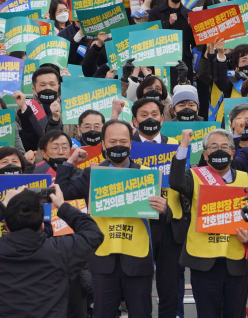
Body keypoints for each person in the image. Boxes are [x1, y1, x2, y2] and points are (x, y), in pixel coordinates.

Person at [56, 119, 169, 318]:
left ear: (131, 144)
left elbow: (161, 219)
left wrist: (164, 210)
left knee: (141, 313)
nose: (118, 145)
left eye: (124, 141)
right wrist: (70, 162)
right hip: (103, 257)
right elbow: (63, 193)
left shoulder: (146, 175)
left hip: (137, 257)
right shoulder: (93, 174)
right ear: (103, 145)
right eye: (113, 141)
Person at [0, 185, 103, 318]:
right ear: (42, 225)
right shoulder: (60, 250)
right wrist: (62, 206)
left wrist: (3, 205)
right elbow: (94, 233)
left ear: (7, 225)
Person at [168, 128, 248, 318]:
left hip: (237, 261)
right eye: (213, 147)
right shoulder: (194, 176)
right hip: (203, 262)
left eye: (225, 147)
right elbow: (175, 181)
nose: (219, 151)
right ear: (205, 155)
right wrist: (183, 145)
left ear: (233, 152)